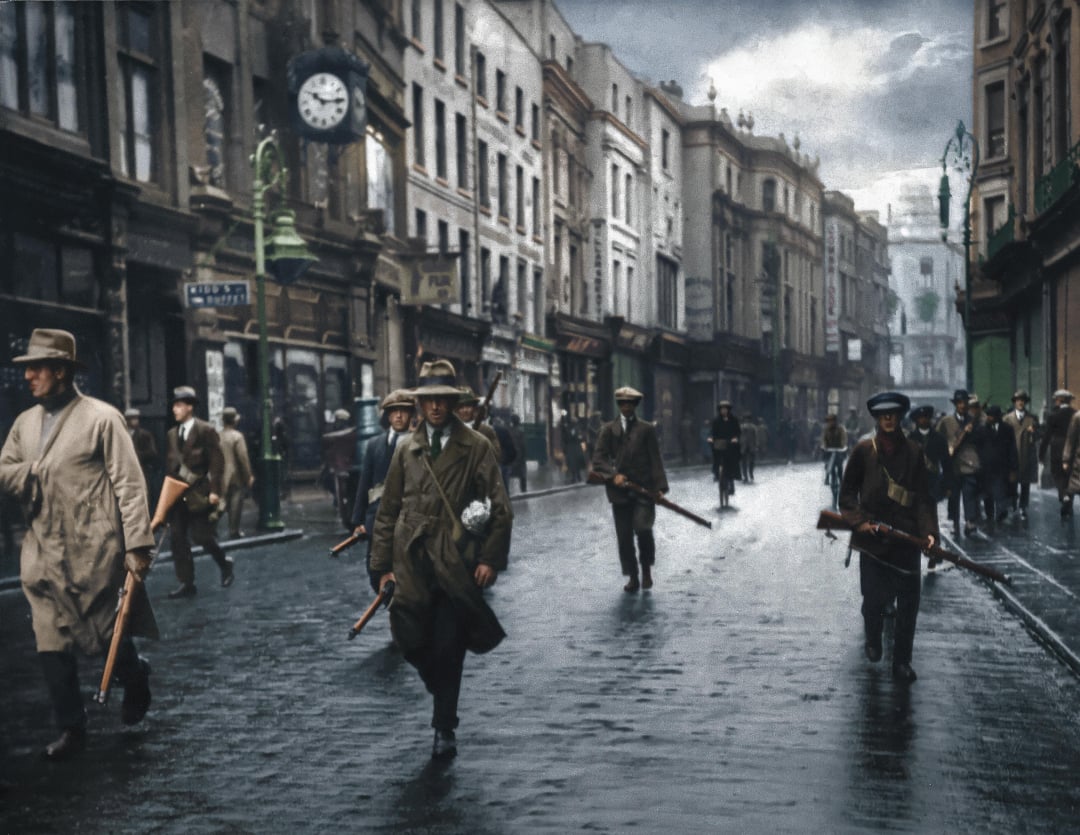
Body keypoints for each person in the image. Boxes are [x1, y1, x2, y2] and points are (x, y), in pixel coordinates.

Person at [0, 329, 156, 759]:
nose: (28, 376)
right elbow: (6, 469)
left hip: (94, 547)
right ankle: (72, 728)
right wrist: (33, 471)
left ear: (62, 371)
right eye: (26, 368)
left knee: (107, 634)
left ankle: (135, 675)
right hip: (41, 548)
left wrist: (137, 544)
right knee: (49, 640)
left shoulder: (102, 418)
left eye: (37, 367)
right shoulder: (24, 423)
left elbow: (128, 482)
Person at [370, 359, 513, 760]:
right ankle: (440, 686)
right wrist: (381, 567)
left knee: (449, 646)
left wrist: (489, 559)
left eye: (443, 400)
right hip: (411, 558)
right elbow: (388, 508)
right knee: (410, 640)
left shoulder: (476, 447)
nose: (435, 407)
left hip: (455, 559)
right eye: (428, 399)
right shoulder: (406, 449)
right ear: (420, 404)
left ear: (453, 403)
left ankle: (444, 726)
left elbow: (500, 509)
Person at [839, 391, 939, 684]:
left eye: (893, 414)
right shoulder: (862, 451)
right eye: (883, 415)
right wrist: (859, 522)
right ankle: (873, 636)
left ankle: (902, 662)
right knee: (873, 600)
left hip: (907, 539)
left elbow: (923, 499)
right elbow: (846, 495)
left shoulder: (914, 452)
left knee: (909, 604)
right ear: (876, 419)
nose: (888, 419)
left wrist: (930, 534)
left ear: (900, 417)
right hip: (872, 540)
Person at [591, 386, 669, 592]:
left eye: (630, 403)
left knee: (643, 530)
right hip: (619, 493)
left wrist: (660, 487)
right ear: (618, 405)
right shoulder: (608, 430)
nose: (626, 407)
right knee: (624, 537)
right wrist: (612, 475)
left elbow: (655, 459)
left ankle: (646, 571)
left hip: (644, 489)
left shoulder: (646, 429)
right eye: (622, 403)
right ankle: (632, 576)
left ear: (635, 406)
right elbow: (598, 459)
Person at [165, 386, 234, 598]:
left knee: (202, 537)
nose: (174, 409)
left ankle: (225, 564)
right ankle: (187, 583)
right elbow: (170, 466)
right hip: (178, 495)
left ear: (189, 407)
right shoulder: (171, 434)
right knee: (177, 539)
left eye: (179, 405)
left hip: (199, 495)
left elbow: (217, 463)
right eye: (174, 405)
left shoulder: (205, 430)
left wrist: (216, 491)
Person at [350, 389, 415, 592]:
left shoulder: (418, 444)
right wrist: (358, 521)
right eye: (393, 411)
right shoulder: (374, 445)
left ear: (411, 414)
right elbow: (364, 484)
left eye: (403, 411)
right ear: (387, 415)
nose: (398, 416)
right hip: (377, 520)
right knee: (376, 571)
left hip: (407, 520)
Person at [936, 389, 982, 539]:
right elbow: (937, 436)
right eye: (959, 403)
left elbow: (981, 440)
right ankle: (954, 522)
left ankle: (970, 521)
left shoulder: (974, 420)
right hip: (952, 464)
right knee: (953, 495)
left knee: (969, 492)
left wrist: (971, 431)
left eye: (965, 403)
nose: (962, 405)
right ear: (955, 404)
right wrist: (947, 447)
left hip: (969, 463)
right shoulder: (946, 421)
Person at [976, 405, 1017, 525]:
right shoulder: (982, 430)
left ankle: (1000, 512)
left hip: (1002, 466)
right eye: (988, 416)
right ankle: (990, 514)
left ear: (998, 417)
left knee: (1000, 491)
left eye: (991, 416)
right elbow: (977, 446)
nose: (989, 418)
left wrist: (1014, 468)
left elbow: (1012, 448)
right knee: (987, 493)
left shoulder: (1007, 429)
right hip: (986, 467)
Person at [1003, 389, 1039, 521]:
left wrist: (1034, 432)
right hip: (1012, 455)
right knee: (1012, 482)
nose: (1020, 403)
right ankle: (1013, 504)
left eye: (1023, 401)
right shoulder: (1007, 419)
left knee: (1025, 483)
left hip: (1027, 455)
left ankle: (1023, 507)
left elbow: (1038, 435)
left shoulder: (1032, 418)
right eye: (1018, 401)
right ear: (1014, 402)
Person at [219, 407, 254, 539]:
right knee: (235, 501)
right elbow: (242, 457)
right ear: (234, 421)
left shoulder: (218, 435)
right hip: (235, 474)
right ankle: (234, 530)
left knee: (221, 501)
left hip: (220, 473)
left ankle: (211, 528)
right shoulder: (237, 436)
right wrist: (248, 475)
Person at [1040, 390, 1076, 518]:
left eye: (1056, 399)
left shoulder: (1053, 416)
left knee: (1058, 474)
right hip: (1072, 449)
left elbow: (1046, 436)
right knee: (1069, 476)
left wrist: (1041, 453)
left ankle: (1063, 496)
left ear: (1059, 400)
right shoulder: (1075, 414)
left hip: (1057, 448)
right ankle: (1069, 504)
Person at [454, 386, 502, 462]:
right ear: (455, 409)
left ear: (474, 408)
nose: (465, 410)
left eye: (468, 406)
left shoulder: (486, 430)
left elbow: (496, 456)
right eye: (461, 407)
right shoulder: (450, 430)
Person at [125, 407, 159, 498]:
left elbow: (152, 452)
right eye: (132, 418)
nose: (135, 421)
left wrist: (136, 455)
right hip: (126, 472)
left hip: (142, 470)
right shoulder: (122, 434)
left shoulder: (145, 435)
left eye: (136, 418)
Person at [707, 401, 740, 495]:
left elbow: (737, 431)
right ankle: (717, 473)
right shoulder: (716, 421)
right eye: (722, 409)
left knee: (732, 460)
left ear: (728, 410)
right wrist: (710, 438)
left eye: (725, 409)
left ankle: (731, 482)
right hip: (719, 443)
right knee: (716, 456)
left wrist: (735, 438)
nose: (724, 411)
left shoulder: (733, 420)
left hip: (730, 443)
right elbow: (712, 432)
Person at [819, 413, 849, 481]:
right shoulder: (826, 429)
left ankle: (841, 480)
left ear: (835, 421)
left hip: (839, 449)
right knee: (828, 463)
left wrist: (843, 445)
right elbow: (823, 438)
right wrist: (824, 446)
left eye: (832, 420)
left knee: (839, 466)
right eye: (829, 421)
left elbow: (844, 438)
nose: (830, 422)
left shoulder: (841, 428)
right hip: (829, 449)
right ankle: (827, 476)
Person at [1062, 408, 1080, 516]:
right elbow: (1070, 439)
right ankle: (1067, 503)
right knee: (1073, 488)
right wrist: (1066, 458)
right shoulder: (1077, 417)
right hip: (1078, 460)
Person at [508, 413, 528, 493]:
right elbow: (523, 444)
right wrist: (525, 454)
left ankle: (507, 490)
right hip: (519, 455)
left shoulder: (509, 430)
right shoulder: (521, 431)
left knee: (509, 473)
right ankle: (523, 489)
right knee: (522, 474)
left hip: (511, 455)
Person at [740, 414, 758, 483]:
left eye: (748, 419)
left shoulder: (753, 427)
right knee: (743, 462)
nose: (747, 421)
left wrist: (756, 445)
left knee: (751, 462)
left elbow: (756, 437)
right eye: (745, 419)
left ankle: (750, 474)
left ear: (750, 420)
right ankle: (745, 476)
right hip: (743, 447)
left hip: (751, 446)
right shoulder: (741, 427)